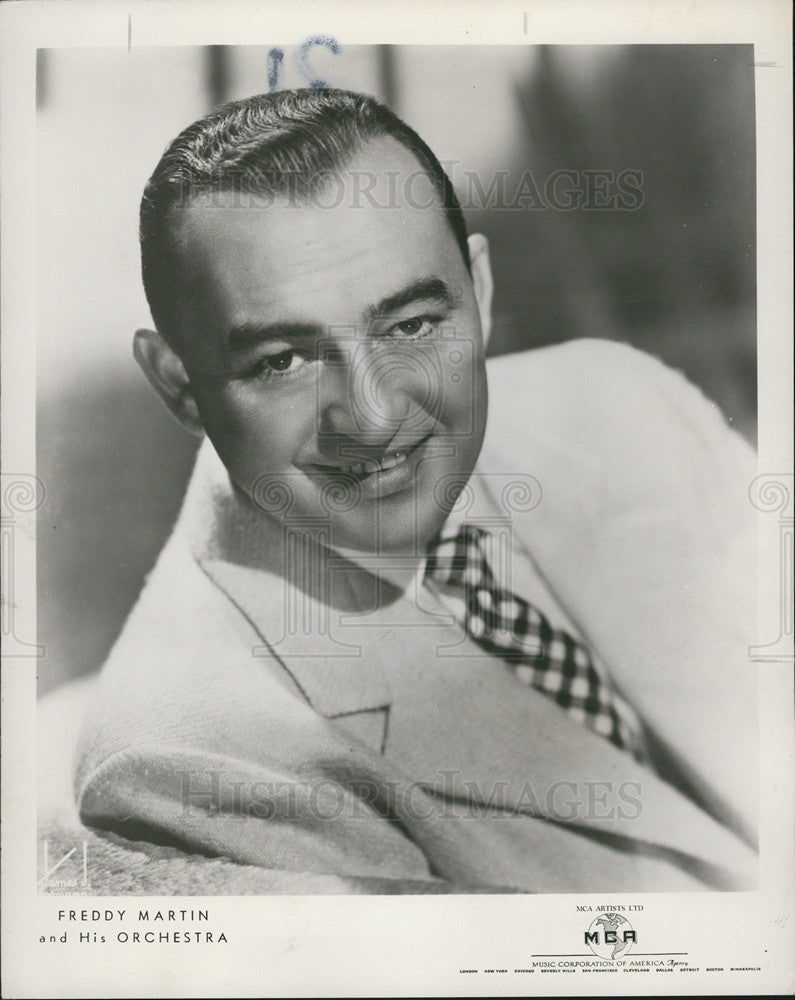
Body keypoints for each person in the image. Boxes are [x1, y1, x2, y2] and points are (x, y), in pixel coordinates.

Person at [69, 88, 757, 892]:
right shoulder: (178, 763)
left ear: (480, 288)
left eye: (411, 326)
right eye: (283, 360)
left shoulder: (624, 402)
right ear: (179, 384)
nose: (373, 413)